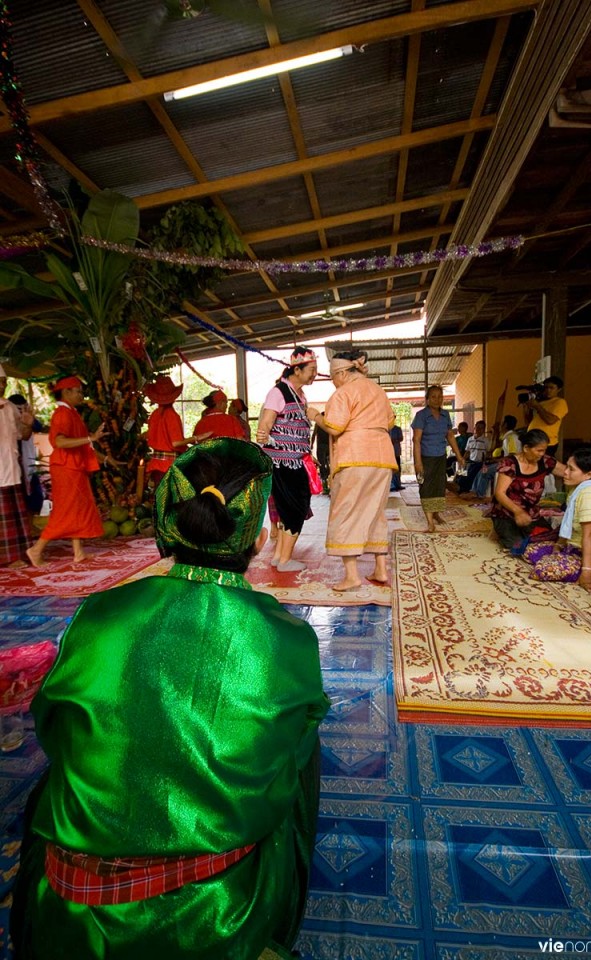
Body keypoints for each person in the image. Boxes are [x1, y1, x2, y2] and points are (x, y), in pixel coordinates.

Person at [11, 437, 329, 960]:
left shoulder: (98, 612)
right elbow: (284, 753)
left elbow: (53, 725)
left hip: (70, 905)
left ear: (169, 521)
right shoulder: (285, 637)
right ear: (257, 537)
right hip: (219, 915)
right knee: (303, 748)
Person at [308, 351, 397, 591]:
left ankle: (351, 576)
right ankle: (380, 569)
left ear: (342, 373)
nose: (333, 382)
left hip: (355, 457)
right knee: (375, 511)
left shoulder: (343, 392)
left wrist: (315, 416)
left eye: (333, 377)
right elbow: (390, 421)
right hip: (382, 457)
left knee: (345, 511)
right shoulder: (378, 390)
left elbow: (335, 427)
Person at [26, 376, 107, 567]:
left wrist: (102, 456)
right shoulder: (62, 413)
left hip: (73, 467)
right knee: (66, 511)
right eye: (78, 391)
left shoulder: (71, 412)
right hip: (66, 468)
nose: (81, 394)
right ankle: (36, 549)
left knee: (77, 509)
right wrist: (91, 438)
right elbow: (59, 442)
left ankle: (78, 552)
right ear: (66, 392)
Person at [256, 347, 317, 572]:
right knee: (296, 508)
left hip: (297, 460)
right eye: (311, 370)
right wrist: (266, 437)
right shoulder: (278, 392)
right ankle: (284, 560)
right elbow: (264, 427)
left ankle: (280, 557)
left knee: (288, 508)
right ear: (297, 369)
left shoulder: (300, 395)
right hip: (283, 462)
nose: (314, 374)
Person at [525, 447, 591, 590]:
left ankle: (585, 568)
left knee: (542, 569)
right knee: (529, 551)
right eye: (567, 467)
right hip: (575, 549)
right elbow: (568, 523)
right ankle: (566, 560)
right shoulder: (576, 489)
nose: (565, 472)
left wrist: (587, 574)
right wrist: (559, 545)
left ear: (588, 474)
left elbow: (590, 534)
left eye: (571, 469)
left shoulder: (590, 494)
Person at [489, 428, 567, 552]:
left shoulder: (545, 461)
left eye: (544, 450)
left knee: (547, 540)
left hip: (531, 513)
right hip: (507, 513)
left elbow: (568, 472)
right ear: (526, 448)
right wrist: (518, 512)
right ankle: (499, 529)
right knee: (519, 547)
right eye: (539, 450)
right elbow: (499, 493)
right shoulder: (510, 464)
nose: (542, 453)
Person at [412, 385, 464, 533]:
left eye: (440, 396)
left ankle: (436, 514)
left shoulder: (445, 415)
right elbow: (416, 440)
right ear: (428, 399)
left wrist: (459, 456)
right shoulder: (421, 416)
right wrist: (418, 462)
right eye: (433, 397)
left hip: (441, 457)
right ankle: (430, 522)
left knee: (440, 486)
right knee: (426, 487)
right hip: (425, 458)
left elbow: (450, 436)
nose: (437, 400)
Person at [0, 363, 34, 567]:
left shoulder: (10, 407)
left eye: (4, 382)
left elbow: (24, 435)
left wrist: (28, 424)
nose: (2, 385)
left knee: (12, 516)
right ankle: (8, 558)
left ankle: (15, 556)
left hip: (11, 469)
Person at [144, 375, 190, 485]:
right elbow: (176, 443)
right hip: (169, 465)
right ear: (173, 396)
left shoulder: (154, 414)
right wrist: (195, 438)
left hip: (156, 463)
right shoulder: (172, 415)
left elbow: (149, 434)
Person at [467, 415, 521, 500]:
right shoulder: (507, 436)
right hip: (505, 462)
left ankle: (479, 494)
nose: (500, 425)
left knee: (485, 472)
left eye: (502, 423)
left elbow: (512, 456)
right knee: (482, 470)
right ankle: (473, 491)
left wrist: (496, 460)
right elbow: (500, 444)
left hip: (511, 464)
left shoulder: (512, 437)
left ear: (505, 425)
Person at [8, 394, 45, 514]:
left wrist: (28, 419)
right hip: (10, 464)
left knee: (34, 494)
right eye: (18, 409)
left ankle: (32, 521)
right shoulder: (6, 418)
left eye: (22, 408)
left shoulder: (27, 418)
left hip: (27, 462)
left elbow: (38, 427)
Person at [524, 376, 568, 457]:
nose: (548, 390)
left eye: (552, 388)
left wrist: (537, 406)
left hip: (547, 442)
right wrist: (527, 407)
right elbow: (528, 422)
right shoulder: (542, 403)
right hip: (533, 440)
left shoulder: (560, 402)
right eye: (546, 387)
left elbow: (550, 420)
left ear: (559, 389)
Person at [453, 420, 490, 493]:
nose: (479, 429)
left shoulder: (486, 440)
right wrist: (462, 460)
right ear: (474, 428)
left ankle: (465, 490)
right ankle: (460, 488)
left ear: (484, 430)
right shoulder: (470, 439)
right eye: (477, 427)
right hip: (471, 462)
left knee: (470, 475)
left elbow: (488, 452)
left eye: (481, 428)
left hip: (480, 463)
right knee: (461, 474)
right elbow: (467, 452)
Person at [389, 423, 404, 491]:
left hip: (396, 451)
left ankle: (398, 484)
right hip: (388, 453)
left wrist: (394, 440)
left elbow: (401, 438)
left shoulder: (397, 429)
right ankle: (391, 485)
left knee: (397, 468)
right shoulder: (386, 429)